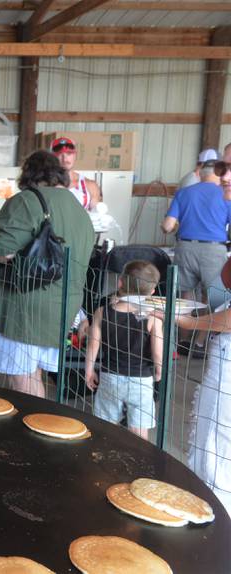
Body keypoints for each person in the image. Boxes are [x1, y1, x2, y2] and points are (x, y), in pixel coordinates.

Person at [0, 150, 93, 397]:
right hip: (62, 306)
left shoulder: (27, 201)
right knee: (33, 374)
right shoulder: (78, 208)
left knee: (22, 379)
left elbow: (3, 250)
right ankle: (38, 424)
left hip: (24, 308)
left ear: (28, 175)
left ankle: (34, 428)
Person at [160, 256, 231, 516]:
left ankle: (219, 521)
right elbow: (225, 276)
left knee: (219, 452)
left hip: (227, 386)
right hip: (219, 378)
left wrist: (190, 323)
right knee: (208, 444)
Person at [84, 261, 163, 441]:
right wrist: (159, 370)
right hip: (141, 380)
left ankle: (103, 456)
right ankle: (139, 460)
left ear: (120, 283)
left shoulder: (102, 312)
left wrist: (89, 370)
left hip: (111, 376)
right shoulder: (153, 316)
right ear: (152, 292)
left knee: (105, 422)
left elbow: (93, 345)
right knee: (140, 427)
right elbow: (157, 351)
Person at [161, 159, 231, 358]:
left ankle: (183, 341)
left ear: (199, 174)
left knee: (186, 296)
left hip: (185, 247)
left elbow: (167, 226)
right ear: (218, 175)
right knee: (216, 298)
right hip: (214, 250)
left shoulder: (184, 193)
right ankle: (199, 344)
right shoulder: (226, 195)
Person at [50, 137, 102, 210]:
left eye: (69, 153)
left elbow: (97, 216)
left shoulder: (90, 186)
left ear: (75, 155)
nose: (64, 159)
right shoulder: (46, 184)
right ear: (52, 158)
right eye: (60, 154)